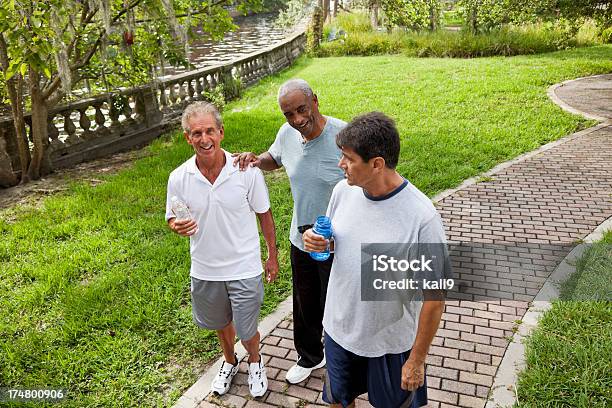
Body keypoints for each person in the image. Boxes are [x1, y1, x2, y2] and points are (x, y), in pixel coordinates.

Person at [303, 112, 447, 408]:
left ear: (377, 164)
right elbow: (338, 240)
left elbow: (435, 298)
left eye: (349, 159)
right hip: (340, 328)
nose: (340, 164)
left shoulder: (421, 217)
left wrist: (417, 360)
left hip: (390, 343)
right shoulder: (343, 191)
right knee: (339, 401)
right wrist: (321, 242)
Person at [233, 79, 346, 384]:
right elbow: (275, 159)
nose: (297, 119)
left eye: (301, 110)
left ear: (315, 101)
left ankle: (345, 362)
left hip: (339, 243)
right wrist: (257, 160)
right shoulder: (287, 134)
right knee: (305, 303)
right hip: (302, 239)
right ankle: (310, 356)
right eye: (289, 114)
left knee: (340, 305)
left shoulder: (344, 137)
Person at [165, 101, 279, 398]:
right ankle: (230, 361)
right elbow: (172, 218)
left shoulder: (246, 170)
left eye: (210, 131)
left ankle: (255, 361)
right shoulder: (179, 177)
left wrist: (272, 255)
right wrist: (176, 226)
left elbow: (264, 214)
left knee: (247, 327)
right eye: (196, 133)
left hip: (244, 266)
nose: (205, 139)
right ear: (187, 138)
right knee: (220, 323)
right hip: (205, 268)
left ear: (221, 132)